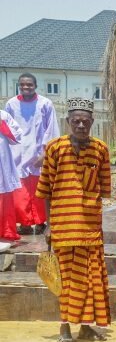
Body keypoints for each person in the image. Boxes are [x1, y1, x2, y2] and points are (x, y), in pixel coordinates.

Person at [36, 97, 111, 342]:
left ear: (92, 122)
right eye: (76, 121)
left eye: (85, 121)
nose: (81, 125)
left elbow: (104, 189)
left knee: (91, 279)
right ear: (68, 122)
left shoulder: (101, 149)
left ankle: (87, 327)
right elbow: (45, 189)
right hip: (63, 225)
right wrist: (48, 225)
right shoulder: (55, 148)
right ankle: (65, 327)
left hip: (90, 227)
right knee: (66, 280)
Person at [5, 73, 60, 235]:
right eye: (22, 84)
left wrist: (45, 154)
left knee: (40, 191)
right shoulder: (11, 104)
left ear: (35, 86)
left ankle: (41, 222)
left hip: (38, 154)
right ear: (19, 86)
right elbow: (8, 129)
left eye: (29, 84)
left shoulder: (45, 104)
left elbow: (51, 129)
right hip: (18, 154)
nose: (25, 87)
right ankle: (25, 224)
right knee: (20, 193)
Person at [0, 110, 22, 241]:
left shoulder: (3, 115)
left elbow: (17, 135)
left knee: (4, 193)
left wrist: (2, 125)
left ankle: (7, 229)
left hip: (2, 158)